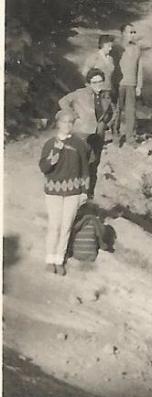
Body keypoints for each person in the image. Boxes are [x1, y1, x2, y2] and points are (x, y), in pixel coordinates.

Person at [39, 111, 90, 275]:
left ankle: (60, 260)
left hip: (73, 192)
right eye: (65, 122)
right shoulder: (49, 144)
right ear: (58, 123)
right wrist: (56, 152)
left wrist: (84, 192)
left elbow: (85, 169)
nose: (68, 125)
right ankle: (49, 259)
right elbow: (44, 168)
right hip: (53, 191)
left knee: (66, 226)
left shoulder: (79, 144)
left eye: (71, 122)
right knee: (55, 225)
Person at [58, 70, 116, 197]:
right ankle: (72, 196)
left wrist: (106, 125)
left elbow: (113, 111)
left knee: (93, 166)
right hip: (82, 134)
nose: (98, 85)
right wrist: (72, 115)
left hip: (98, 136)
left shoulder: (106, 96)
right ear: (88, 84)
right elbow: (63, 101)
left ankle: (88, 197)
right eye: (94, 82)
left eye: (100, 81)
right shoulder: (80, 94)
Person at [117, 23, 144, 146]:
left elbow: (140, 68)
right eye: (130, 32)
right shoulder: (117, 47)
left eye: (134, 32)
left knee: (131, 111)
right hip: (119, 84)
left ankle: (130, 138)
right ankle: (115, 134)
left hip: (132, 84)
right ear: (123, 33)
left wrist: (139, 85)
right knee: (117, 110)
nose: (133, 35)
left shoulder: (137, 48)